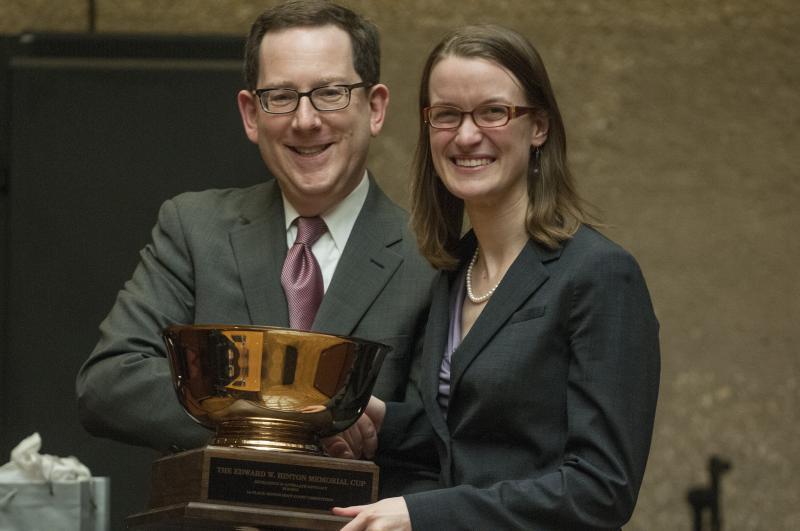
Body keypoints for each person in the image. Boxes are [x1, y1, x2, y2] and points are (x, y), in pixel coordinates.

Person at [75, 0, 436, 495]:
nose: (305, 120)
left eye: (330, 93)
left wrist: (230, 405)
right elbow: (109, 384)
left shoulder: (431, 255)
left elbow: (445, 432)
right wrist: (293, 427)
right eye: (281, 97)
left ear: (374, 108)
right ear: (250, 114)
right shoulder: (194, 229)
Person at [325, 24, 661, 530]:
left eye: (494, 112)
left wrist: (424, 516)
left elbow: (600, 488)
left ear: (539, 126)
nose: (466, 135)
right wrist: (384, 423)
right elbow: (476, 440)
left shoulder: (599, 275)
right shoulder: (453, 270)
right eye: (446, 115)